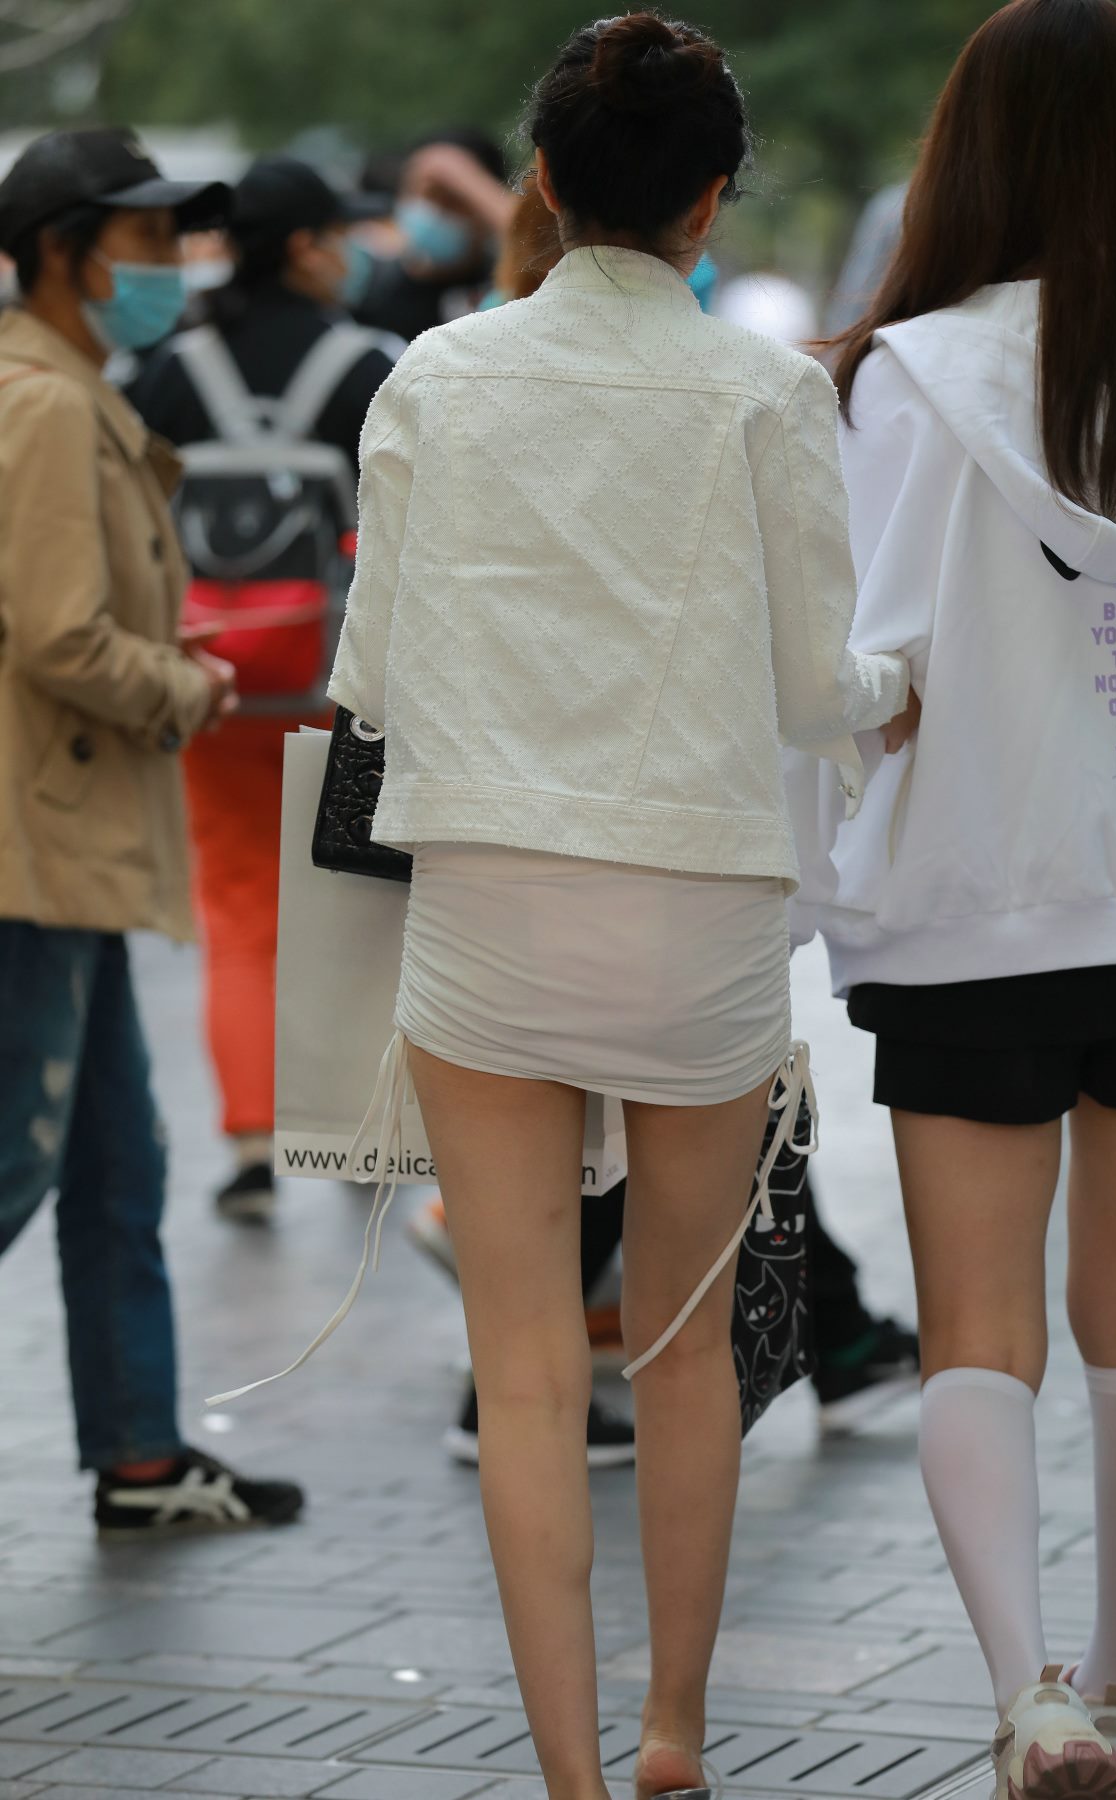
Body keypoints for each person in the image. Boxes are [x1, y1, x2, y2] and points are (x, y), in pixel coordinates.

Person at [326, 17, 911, 1799]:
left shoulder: (435, 375)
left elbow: (372, 679)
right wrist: (899, 685)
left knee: (522, 1368)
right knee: (684, 1350)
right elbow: (814, 687)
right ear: (712, 199)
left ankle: (573, 1778)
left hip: (488, 903)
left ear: (546, 180)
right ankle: (675, 1734)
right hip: (695, 917)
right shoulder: (767, 392)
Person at [809, 4, 1116, 1797]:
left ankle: (1025, 1696)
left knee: (976, 1323)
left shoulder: (903, 379)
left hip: (971, 902)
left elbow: (865, 660)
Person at [0, 127, 303, 1534]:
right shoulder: (47, 406)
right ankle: (135, 1446)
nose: (173, 263)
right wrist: (184, 684)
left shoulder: (75, 393)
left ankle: (138, 1454)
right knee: (22, 1154)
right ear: (64, 255)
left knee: (119, 1165)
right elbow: (59, 635)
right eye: (145, 238)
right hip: (36, 847)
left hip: (73, 842)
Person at [129, 156, 401, 1222]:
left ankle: (250, 1144)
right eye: (338, 235)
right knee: (356, 903)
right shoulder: (370, 367)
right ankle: (355, 1128)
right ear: (303, 246)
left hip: (212, 679)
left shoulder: (166, 371)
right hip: (342, 680)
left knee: (237, 906)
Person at [353, 128, 517, 340]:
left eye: (452, 198)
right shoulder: (369, 290)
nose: (431, 212)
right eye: (416, 195)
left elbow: (541, 241)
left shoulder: (509, 286)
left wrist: (464, 175)